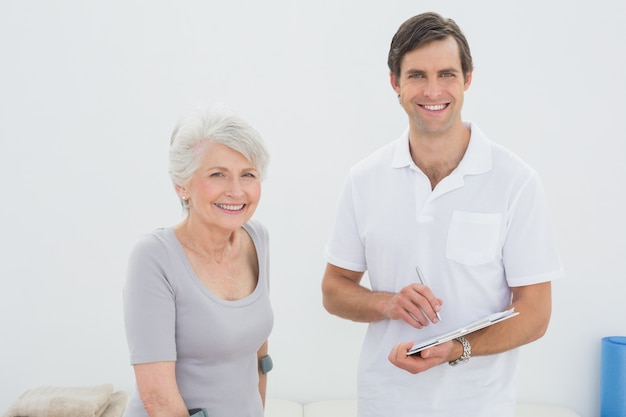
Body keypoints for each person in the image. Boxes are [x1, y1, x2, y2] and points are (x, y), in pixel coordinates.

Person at [321, 12, 563, 417]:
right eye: (417, 75)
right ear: (395, 83)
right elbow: (333, 289)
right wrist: (388, 303)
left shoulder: (516, 182)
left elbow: (535, 313)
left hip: (479, 405)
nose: (433, 90)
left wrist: (457, 348)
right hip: (386, 401)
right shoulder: (364, 179)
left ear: (467, 79)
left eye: (446, 74)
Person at [122, 105, 273, 417]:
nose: (236, 191)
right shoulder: (153, 257)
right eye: (218, 174)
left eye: (247, 174)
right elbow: (157, 398)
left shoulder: (256, 238)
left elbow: (260, 354)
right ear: (182, 185)